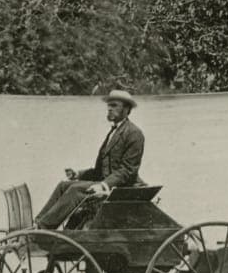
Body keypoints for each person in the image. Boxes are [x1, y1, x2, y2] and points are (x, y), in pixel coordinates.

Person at [34, 89, 145, 230]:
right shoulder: (114, 132)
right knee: (64, 185)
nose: (109, 109)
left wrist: (103, 185)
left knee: (76, 190)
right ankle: (38, 222)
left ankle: (44, 228)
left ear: (127, 109)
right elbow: (100, 170)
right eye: (108, 105)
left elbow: (127, 170)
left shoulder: (134, 133)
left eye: (114, 105)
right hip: (110, 184)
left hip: (123, 188)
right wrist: (78, 174)